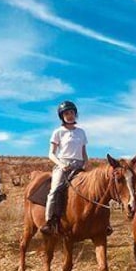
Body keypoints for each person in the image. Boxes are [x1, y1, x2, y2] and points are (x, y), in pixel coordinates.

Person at [40, 100, 89, 235]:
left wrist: (86, 163)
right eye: (66, 113)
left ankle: (102, 223)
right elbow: (50, 153)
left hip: (79, 165)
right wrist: (61, 164)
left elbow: (84, 151)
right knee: (54, 191)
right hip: (63, 165)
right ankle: (49, 222)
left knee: (94, 190)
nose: (70, 115)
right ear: (62, 116)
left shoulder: (81, 132)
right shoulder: (58, 132)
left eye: (72, 112)